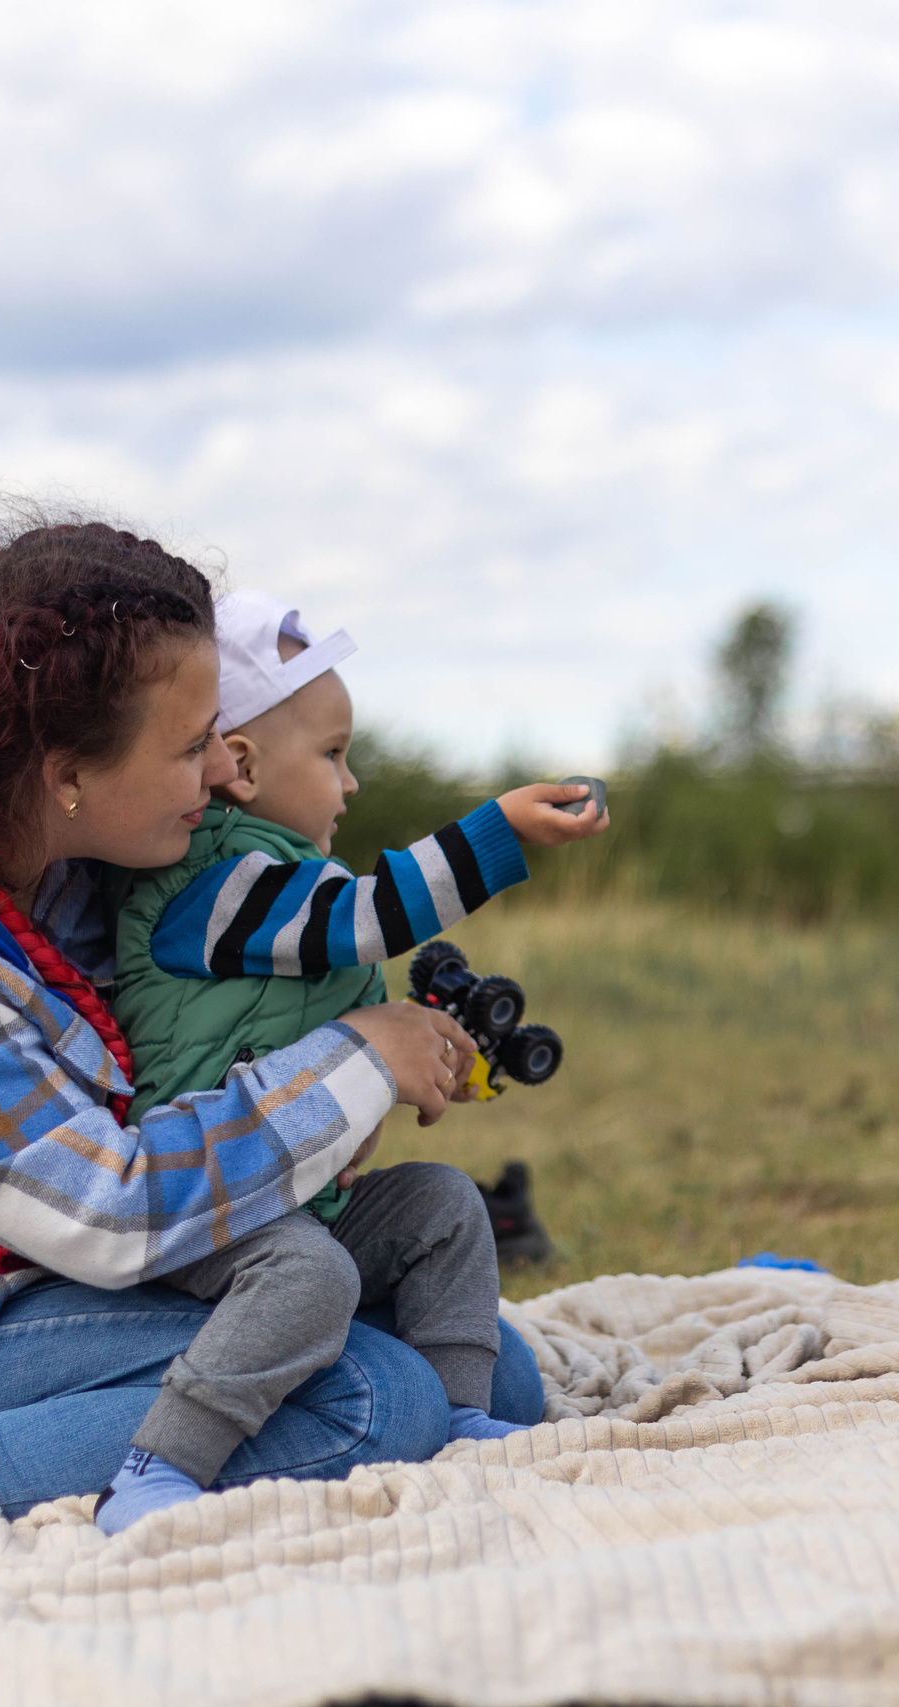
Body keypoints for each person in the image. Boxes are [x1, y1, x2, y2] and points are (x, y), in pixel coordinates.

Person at [0, 516, 516, 1532]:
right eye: (189, 745)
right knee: (375, 1399)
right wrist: (356, 1063)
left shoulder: (53, 852)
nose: (221, 771)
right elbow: (108, 1209)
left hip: (39, 1268)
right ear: (65, 771)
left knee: (487, 1361)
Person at [91, 589, 607, 1533]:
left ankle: (456, 1417)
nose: (352, 781)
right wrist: (498, 834)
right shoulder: (217, 881)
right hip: (208, 1205)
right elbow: (366, 915)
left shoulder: (286, 888)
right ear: (239, 765)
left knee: (446, 1206)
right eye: (332, 755)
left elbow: (350, 1012)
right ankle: (157, 1465)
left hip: (299, 1198)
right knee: (312, 1279)